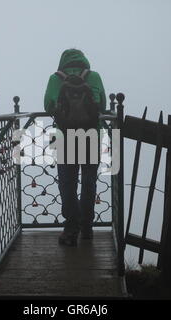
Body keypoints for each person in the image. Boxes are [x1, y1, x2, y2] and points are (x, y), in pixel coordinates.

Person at [44, 49, 106, 246]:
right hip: (91, 136)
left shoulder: (56, 78)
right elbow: (102, 105)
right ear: (84, 60)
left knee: (67, 184)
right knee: (89, 181)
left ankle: (71, 227)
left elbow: (48, 105)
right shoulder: (93, 76)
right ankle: (87, 226)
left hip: (64, 138)